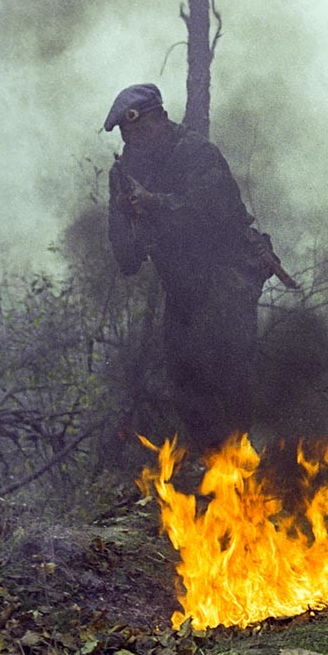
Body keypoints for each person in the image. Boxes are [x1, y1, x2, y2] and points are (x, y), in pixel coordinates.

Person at [103, 83, 275, 453]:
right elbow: (125, 251)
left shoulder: (196, 154)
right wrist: (131, 232)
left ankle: (252, 466)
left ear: (162, 119)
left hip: (225, 276)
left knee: (232, 373)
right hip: (182, 286)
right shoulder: (126, 172)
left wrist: (154, 204)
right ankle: (214, 470)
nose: (137, 140)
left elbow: (214, 217)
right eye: (128, 135)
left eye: (143, 129)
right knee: (185, 380)